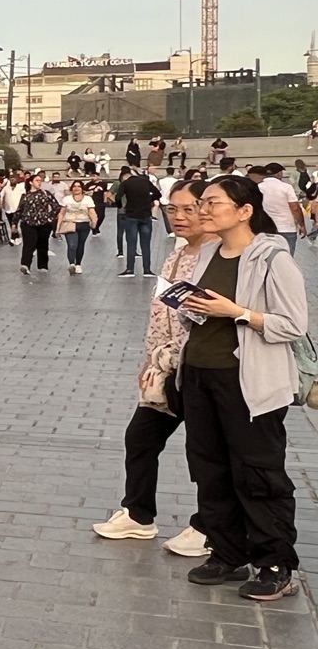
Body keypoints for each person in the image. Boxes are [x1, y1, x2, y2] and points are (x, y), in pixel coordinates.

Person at [178, 175, 308, 600]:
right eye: (202, 203)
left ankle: (276, 564)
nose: (202, 210)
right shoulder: (208, 252)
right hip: (200, 374)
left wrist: (235, 311)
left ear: (244, 211)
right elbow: (202, 312)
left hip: (249, 381)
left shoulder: (272, 257)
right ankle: (227, 552)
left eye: (212, 203)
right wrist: (190, 307)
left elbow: (292, 325)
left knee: (257, 472)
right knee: (210, 469)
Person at [94, 179, 214, 552]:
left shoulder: (219, 257)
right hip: (167, 367)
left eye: (189, 209)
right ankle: (138, 515)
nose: (179, 217)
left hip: (202, 369)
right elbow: (159, 314)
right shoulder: (175, 255)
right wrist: (150, 361)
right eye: (172, 209)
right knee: (140, 437)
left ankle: (209, 528)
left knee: (205, 451)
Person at [115, 167, 158, 276]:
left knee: (131, 243)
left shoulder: (125, 184)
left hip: (131, 215)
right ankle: (147, 270)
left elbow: (118, 197)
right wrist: (148, 201)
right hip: (146, 215)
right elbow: (158, 194)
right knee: (146, 244)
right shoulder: (146, 182)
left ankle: (130, 269)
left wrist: (121, 206)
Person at [255, 164, 306, 256]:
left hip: (266, 227)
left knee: (267, 256)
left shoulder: (258, 187)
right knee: (287, 257)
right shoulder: (286, 187)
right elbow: (295, 208)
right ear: (279, 173)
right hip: (286, 227)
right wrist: (301, 225)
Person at [18, 175, 60, 274]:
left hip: (44, 224)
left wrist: (50, 217)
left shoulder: (46, 194)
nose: (39, 182)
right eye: (37, 180)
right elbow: (20, 210)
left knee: (43, 244)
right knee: (29, 244)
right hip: (28, 223)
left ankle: (42, 266)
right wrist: (14, 223)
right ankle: (25, 265)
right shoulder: (26, 196)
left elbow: (56, 207)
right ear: (31, 182)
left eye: (40, 180)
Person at [55, 180, 99, 274]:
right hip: (70, 223)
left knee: (80, 245)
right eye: (74, 186)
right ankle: (72, 264)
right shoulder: (67, 199)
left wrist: (94, 222)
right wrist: (58, 227)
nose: (76, 188)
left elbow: (92, 211)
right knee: (72, 245)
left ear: (82, 189)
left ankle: (78, 264)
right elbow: (61, 213)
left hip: (84, 224)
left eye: (79, 186)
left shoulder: (88, 199)